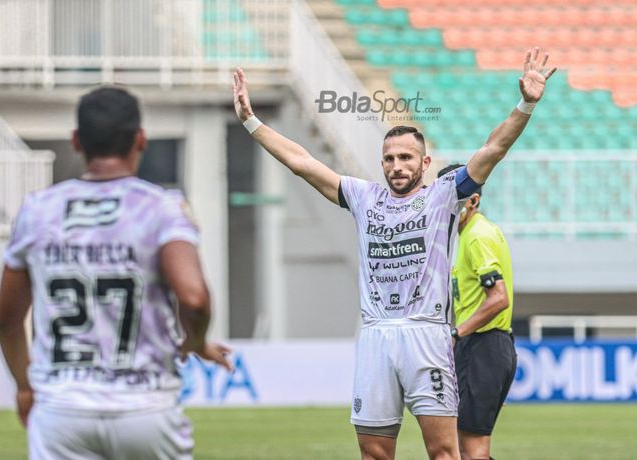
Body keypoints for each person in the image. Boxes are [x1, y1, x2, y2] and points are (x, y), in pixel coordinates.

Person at [232, 47, 555, 460]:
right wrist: (251, 121)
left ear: (425, 162)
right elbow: (303, 162)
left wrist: (525, 104)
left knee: (444, 452)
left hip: (427, 335)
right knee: (374, 454)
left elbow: (492, 149)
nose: (397, 165)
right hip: (377, 335)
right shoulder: (364, 198)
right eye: (389, 159)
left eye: (406, 157)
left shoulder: (444, 196)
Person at [0, 86, 231, 460]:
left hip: (62, 408)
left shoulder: (38, 211)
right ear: (141, 139)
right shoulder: (161, 208)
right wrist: (196, 341)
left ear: (76, 141)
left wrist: (25, 386)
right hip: (144, 405)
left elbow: (8, 320)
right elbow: (194, 299)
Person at [437, 164, 515, 460]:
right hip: (482, 348)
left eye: (455, 195)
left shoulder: (478, 235)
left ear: (473, 200)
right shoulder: (468, 234)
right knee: (460, 446)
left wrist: (458, 332)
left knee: (472, 450)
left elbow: (498, 298)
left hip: (483, 346)